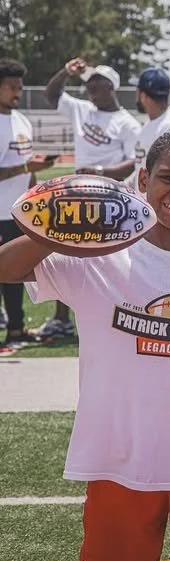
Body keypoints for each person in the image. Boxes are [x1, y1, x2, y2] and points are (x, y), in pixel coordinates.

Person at [0, 131, 170, 561]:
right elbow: (5, 266)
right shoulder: (97, 254)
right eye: (167, 178)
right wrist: (62, 223)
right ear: (142, 178)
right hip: (117, 458)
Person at [36, 57, 140, 341]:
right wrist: (66, 71)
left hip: (109, 198)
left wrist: (98, 171)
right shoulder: (83, 110)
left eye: (96, 83)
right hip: (77, 195)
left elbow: (132, 162)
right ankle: (61, 319)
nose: (90, 88)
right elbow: (51, 95)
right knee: (66, 250)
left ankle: (113, 313)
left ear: (110, 86)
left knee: (109, 257)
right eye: (89, 83)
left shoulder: (126, 123)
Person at [0, 58, 56, 353]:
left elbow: (27, 166)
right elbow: (18, 166)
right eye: (11, 87)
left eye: (19, 87)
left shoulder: (21, 121)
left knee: (17, 273)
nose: (17, 92)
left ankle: (16, 330)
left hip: (17, 212)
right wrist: (24, 167)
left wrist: (36, 196)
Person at [123, 67, 170, 188]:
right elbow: (141, 167)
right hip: (143, 203)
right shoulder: (151, 123)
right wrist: (120, 188)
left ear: (143, 95)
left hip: (155, 205)